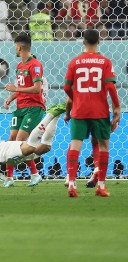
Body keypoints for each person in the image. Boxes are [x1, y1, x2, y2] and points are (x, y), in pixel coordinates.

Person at [63, 29, 120, 198]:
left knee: (75, 145)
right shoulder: (105, 62)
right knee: (103, 146)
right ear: (99, 42)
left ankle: (72, 184)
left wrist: (77, 98)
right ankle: (101, 186)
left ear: (83, 42)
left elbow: (66, 87)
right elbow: (110, 86)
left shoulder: (74, 62)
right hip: (99, 110)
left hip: (79, 110)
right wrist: (116, 107)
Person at [4, 34, 46, 188]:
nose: (15, 49)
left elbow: (36, 89)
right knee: (11, 141)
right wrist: (11, 97)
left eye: (15, 46)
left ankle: (35, 174)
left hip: (33, 109)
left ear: (19, 47)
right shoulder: (19, 66)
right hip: (20, 108)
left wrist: (16, 89)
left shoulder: (35, 65)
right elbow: (21, 88)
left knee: (19, 142)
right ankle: (9, 178)